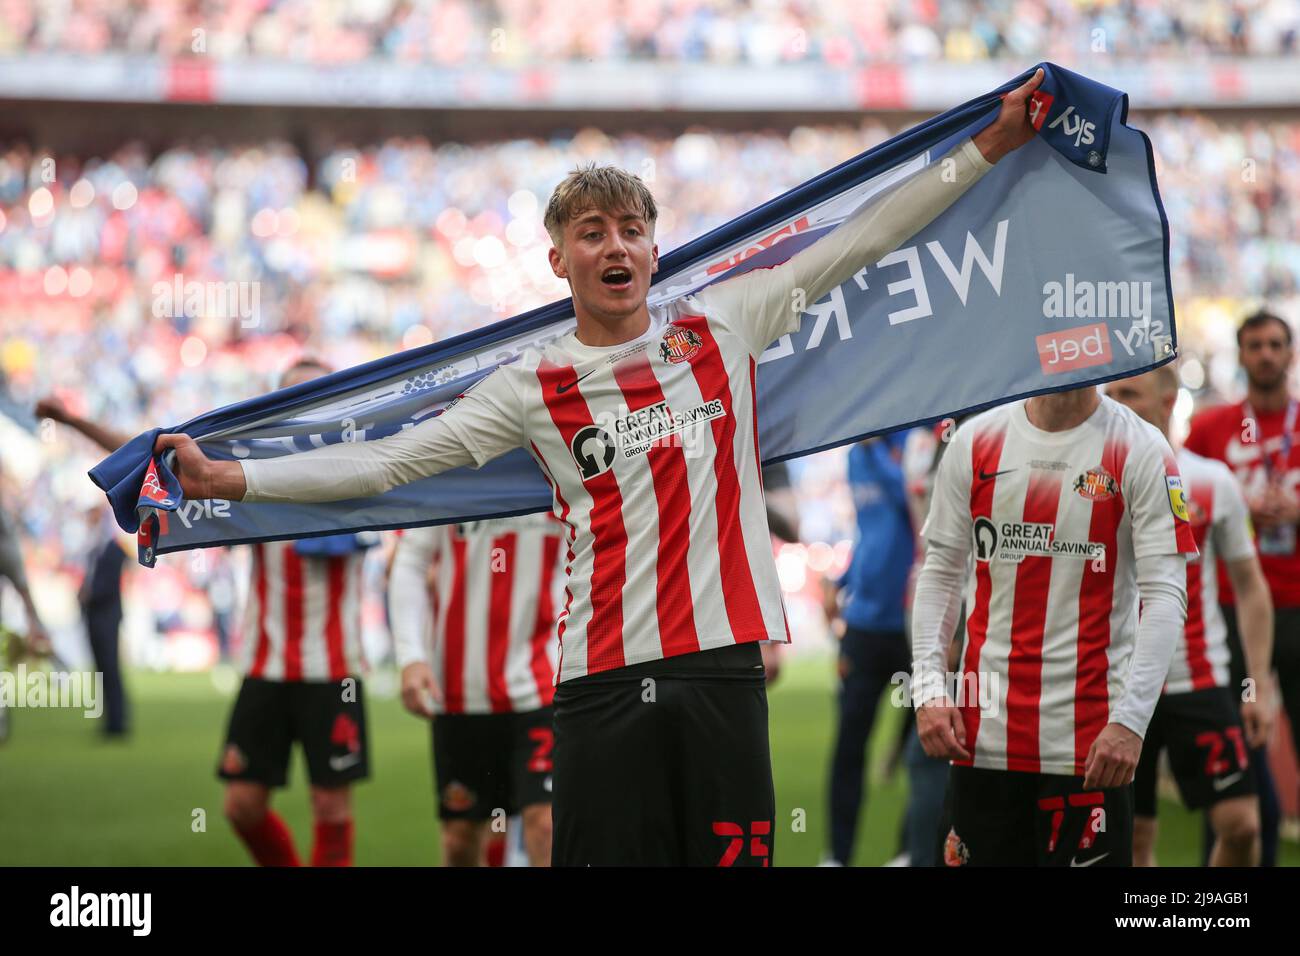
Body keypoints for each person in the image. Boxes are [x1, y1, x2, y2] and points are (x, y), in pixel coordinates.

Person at [154, 69, 1044, 865]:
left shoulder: (723, 324)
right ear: (560, 260)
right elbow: (390, 464)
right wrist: (229, 480)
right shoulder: (530, 387)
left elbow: (870, 234)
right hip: (598, 678)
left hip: (723, 667)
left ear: (656, 248)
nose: (615, 248)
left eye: (631, 230)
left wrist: (993, 142)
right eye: (593, 233)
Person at [44, 362, 374, 865]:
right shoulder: (249, 473)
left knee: (330, 805)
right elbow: (153, 457)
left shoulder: (361, 470)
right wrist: (71, 421)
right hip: (266, 668)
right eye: (295, 393)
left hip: (334, 673)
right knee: (241, 807)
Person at [912, 384, 1197, 866]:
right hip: (983, 741)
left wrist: (1129, 723)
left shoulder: (1142, 447)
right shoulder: (975, 440)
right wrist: (927, 687)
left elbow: (1166, 595)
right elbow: (941, 571)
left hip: (1090, 751)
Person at [1107, 366, 1273, 866]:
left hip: (1198, 678)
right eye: (1110, 393)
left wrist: (1257, 685)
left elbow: (1250, 586)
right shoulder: (1092, 480)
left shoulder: (1211, 479)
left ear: (1168, 400)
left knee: (1242, 826)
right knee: (1134, 841)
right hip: (1120, 683)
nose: (1115, 405)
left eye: (1129, 393)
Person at [1185, 309, 1299, 861]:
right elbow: (1175, 495)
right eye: (1255, 345)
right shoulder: (1211, 429)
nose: (1267, 354)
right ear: (1242, 354)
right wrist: (1236, 506)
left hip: (1298, 610)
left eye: (1276, 344)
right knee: (1234, 754)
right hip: (1232, 615)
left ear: (1291, 353)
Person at [391, 513, 565, 866]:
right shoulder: (451, 473)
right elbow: (410, 560)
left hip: (540, 687)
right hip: (459, 692)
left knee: (545, 824)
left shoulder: (554, 469)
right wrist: (411, 655)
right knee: (460, 839)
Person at [822, 433, 914, 866]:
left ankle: (907, 851)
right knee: (848, 748)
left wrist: (877, 448)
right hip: (863, 627)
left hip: (917, 626)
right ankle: (837, 856)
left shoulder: (916, 440)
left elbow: (910, 505)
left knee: (926, 751)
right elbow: (871, 531)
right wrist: (842, 583)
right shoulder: (856, 455)